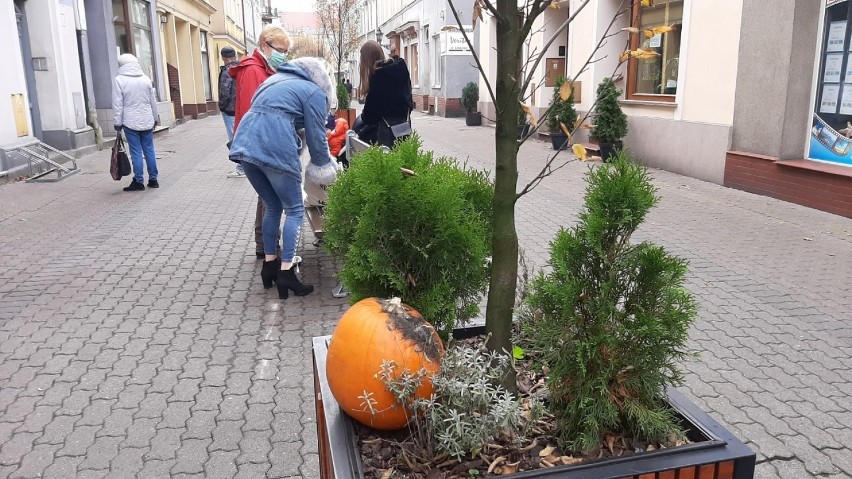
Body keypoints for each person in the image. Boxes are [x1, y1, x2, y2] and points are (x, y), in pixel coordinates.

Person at [229, 57, 338, 300]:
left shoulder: (274, 80)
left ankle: (269, 265)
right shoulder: (313, 92)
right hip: (274, 145)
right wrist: (323, 168)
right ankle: (287, 272)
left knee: (272, 206)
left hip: (246, 144)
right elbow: (317, 137)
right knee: (295, 210)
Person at [229, 25, 291, 259]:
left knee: (267, 197)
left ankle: (265, 245)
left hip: (259, 143)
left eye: (286, 52)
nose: (283, 55)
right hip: (259, 144)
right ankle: (268, 249)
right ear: (265, 45)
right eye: (280, 50)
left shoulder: (263, 68)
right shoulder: (254, 70)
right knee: (271, 199)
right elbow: (253, 113)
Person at [354, 40, 414, 148]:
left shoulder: (378, 77)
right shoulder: (400, 68)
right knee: (405, 158)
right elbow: (408, 98)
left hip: (386, 131)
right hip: (404, 124)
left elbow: (369, 116)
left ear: (366, 60)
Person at [113, 53, 159, 192]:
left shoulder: (119, 80)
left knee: (136, 152)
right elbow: (153, 101)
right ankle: (153, 179)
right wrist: (155, 117)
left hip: (130, 121)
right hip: (147, 119)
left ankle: (138, 181)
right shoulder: (145, 79)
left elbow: (117, 104)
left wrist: (117, 122)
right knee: (149, 150)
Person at [218, 46, 241, 178]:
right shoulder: (240, 68)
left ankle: (241, 168)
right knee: (240, 136)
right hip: (239, 108)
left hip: (230, 110)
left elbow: (224, 91)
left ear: (223, 58)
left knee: (234, 139)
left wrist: (222, 107)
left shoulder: (227, 70)